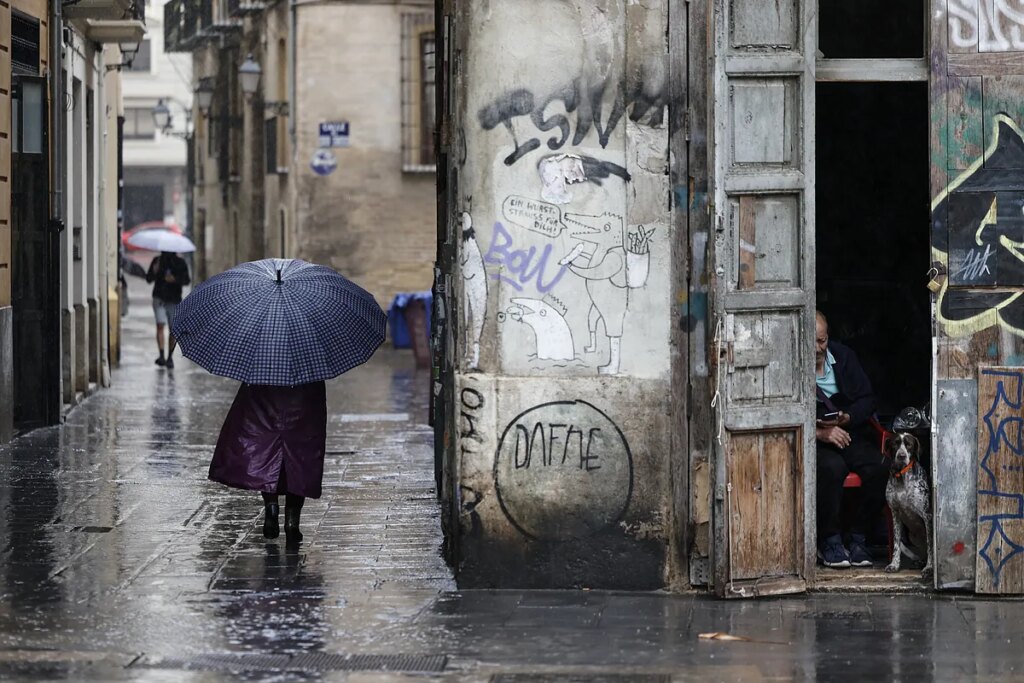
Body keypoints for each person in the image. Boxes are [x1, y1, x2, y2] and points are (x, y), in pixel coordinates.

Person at [209, 381, 327, 544]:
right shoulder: (311, 364)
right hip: (304, 398)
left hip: (264, 397)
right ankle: (292, 522)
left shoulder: (261, 365)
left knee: (268, 452)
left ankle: (272, 506)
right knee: (300, 459)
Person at [814, 310, 888, 569]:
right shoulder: (792, 362)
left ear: (828, 337)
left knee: (879, 466)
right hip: (816, 439)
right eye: (811, 342)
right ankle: (830, 541)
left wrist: (848, 417)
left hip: (849, 430)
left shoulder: (844, 357)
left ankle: (858, 538)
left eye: (821, 341)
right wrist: (821, 433)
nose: (817, 348)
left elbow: (868, 399)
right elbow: (783, 411)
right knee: (831, 468)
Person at [146, 251, 191, 369]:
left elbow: (186, 280)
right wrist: (154, 272)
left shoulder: (180, 263)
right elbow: (148, 278)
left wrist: (175, 280)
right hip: (159, 297)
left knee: (173, 329)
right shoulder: (158, 261)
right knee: (160, 325)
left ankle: (170, 357)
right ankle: (161, 355)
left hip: (174, 299)